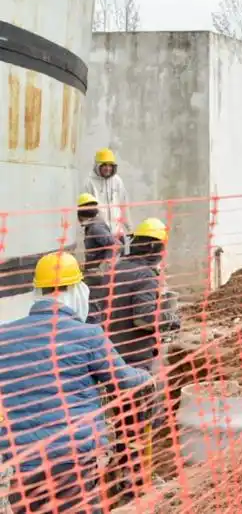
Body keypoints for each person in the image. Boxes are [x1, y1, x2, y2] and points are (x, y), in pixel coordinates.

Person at [0, 252, 152, 514]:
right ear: (75, 290)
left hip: (20, 459)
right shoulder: (87, 335)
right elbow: (123, 380)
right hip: (71, 457)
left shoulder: (4, 336)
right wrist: (148, 377)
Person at [88, 218, 180, 372]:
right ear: (153, 247)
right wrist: (169, 319)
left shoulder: (116, 268)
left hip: (110, 353)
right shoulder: (145, 276)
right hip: (134, 359)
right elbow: (143, 318)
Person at [84, 148, 132, 247]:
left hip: (117, 234)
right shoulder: (89, 183)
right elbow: (85, 213)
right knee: (99, 262)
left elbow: (124, 206)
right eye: (104, 165)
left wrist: (130, 228)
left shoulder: (117, 181)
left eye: (110, 165)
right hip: (98, 237)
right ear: (97, 166)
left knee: (118, 262)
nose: (108, 168)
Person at [77, 192, 119, 272]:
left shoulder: (96, 228)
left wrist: (103, 266)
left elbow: (116, 245)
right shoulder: (92, 225)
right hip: (93, 270)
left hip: (97, 273)